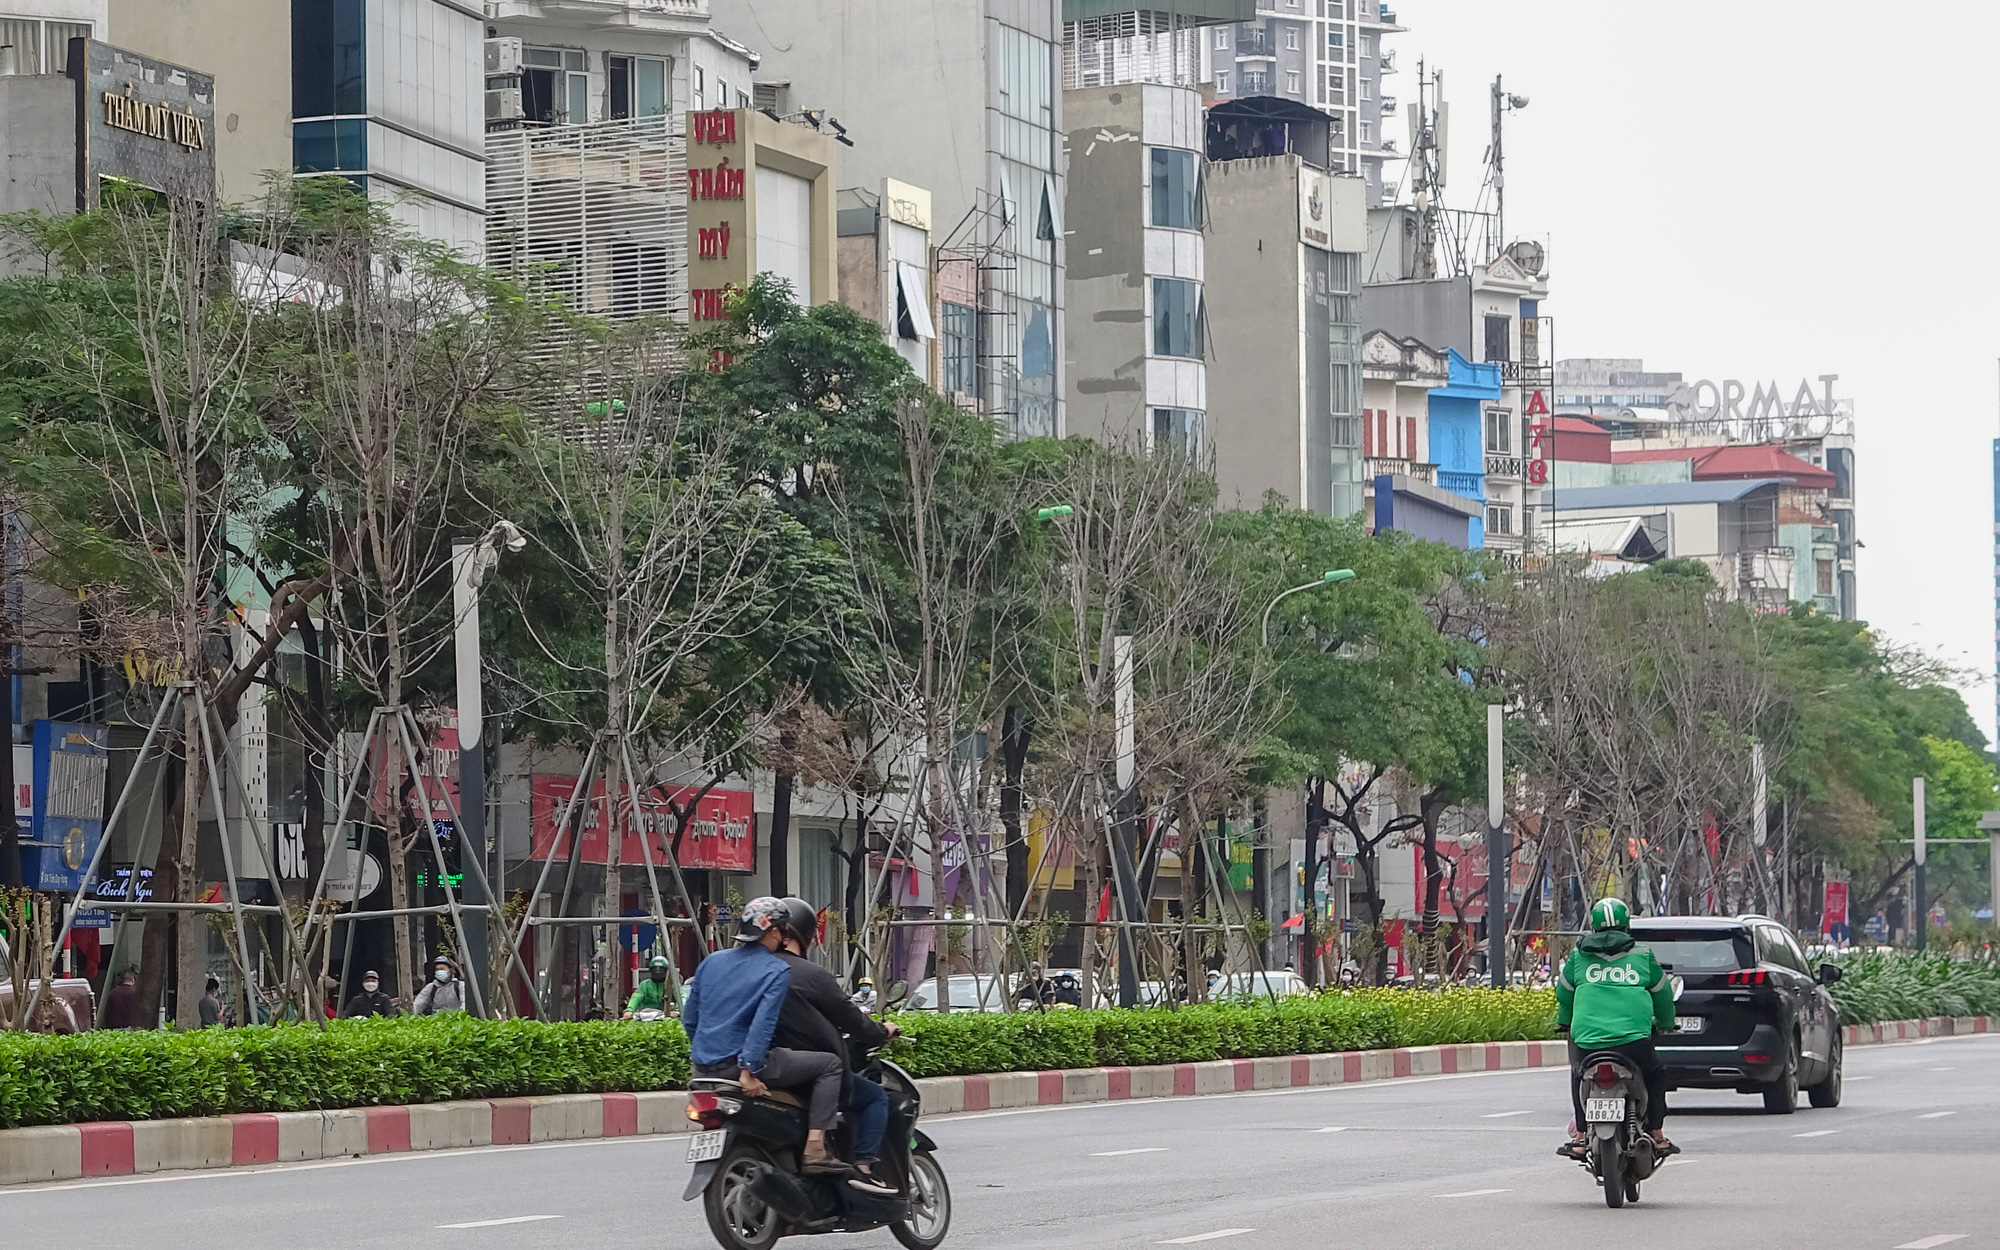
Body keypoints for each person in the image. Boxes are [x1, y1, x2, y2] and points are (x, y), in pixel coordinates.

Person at [681, 896, 847, 1175]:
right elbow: (763, 1024)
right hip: (740, 1067)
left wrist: (704, 1054)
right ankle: (816, 1147)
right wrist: (749, 1069)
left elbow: (690, 1019)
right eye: (782, 930)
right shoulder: (776, 969)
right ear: (772, 932)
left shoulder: (712, 962)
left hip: (703, 1070)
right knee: (830, 1064)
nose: (783, 937)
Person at [772, 897, 899, 1196]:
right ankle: (863, 1168)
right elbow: (853, 1020)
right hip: (800, 1073)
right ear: (805, 935)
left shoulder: (746, 971)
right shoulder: (810, 975)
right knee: (875, 1098)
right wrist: (882, 1032)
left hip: (750, 1067)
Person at [1556, 897, 1678, 1160]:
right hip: (1633, 1043)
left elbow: (1564, 995)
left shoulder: (1578, 956)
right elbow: (1664, 996)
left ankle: (1579, 1137)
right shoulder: (1642, 956)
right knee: (1656, 1074)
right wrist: (1667, 1024)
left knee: (1579, 1075)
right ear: (1627, 927)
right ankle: (1657, 1134)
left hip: (1586, 1042)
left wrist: (1564, 1022)